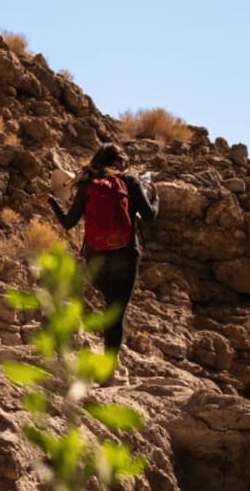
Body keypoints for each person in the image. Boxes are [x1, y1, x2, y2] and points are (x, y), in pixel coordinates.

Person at [33, 142, 159, 355]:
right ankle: (108, 367)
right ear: (118, 161)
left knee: (105, 308)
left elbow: (68, 222)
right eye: (124, 162)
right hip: (125, 256)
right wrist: (155, 200)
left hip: (95, 256)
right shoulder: (129, 181)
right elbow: (149, 217)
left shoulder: (87, 184)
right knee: (115, 313)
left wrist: (53, 201)